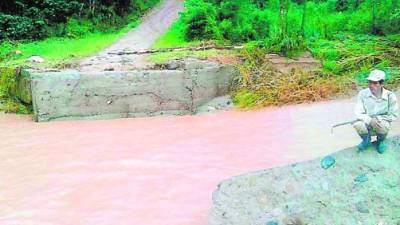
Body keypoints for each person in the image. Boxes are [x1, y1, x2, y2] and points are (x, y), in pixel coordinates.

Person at [353, 69, 399, 153]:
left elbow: (394, 115)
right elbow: (358, 112)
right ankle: (366, 141)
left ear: (382, 84)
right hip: (367, 121)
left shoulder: (390, 96)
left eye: (375, 83)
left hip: (381, 122)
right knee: (357, 124)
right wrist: (370, 120)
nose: (371, 85)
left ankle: (380, 141)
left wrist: (379, 119)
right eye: (370, 82)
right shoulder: (363, 93)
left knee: (382, 125)